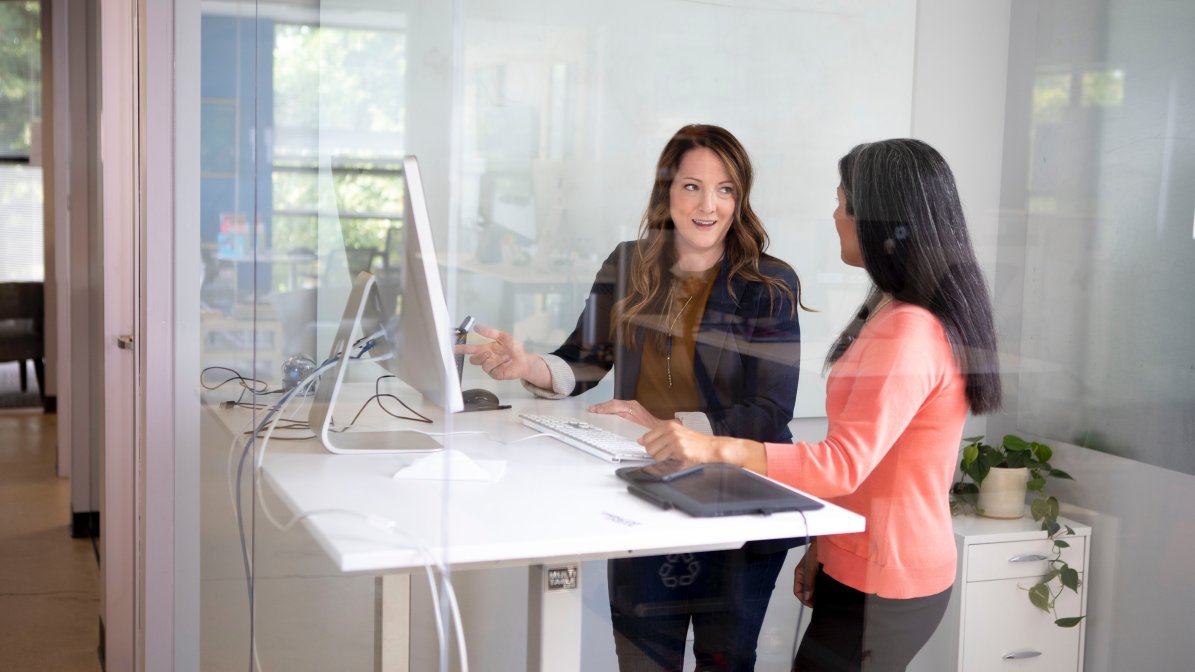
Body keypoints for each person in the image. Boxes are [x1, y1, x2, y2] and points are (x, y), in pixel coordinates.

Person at [638, 138, 1003, 671]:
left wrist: (716, 448)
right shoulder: (889, 308)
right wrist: (824, 549)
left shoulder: (910, 329)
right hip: (856, 563)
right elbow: (869, 465)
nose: (834, 216)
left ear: (878, 219)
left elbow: (842, 462)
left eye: (842, 202)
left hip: (887, 578)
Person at [459, 123, 809, 671]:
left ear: (740, 199)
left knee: (727, 661)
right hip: (647, 496)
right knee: (644, 660)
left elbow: (769, 414)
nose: (708, 205)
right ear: (666, 191)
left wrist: (668, 423)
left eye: (725, 190)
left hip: (737, 502)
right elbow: (585, 360)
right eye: (692, 186)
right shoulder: (628, 264)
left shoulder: (769, 284)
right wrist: (529, 365)